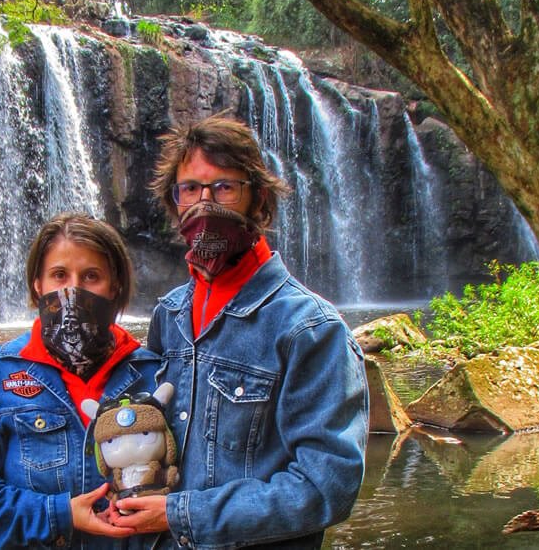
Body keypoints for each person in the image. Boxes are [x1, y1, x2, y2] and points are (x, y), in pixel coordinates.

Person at [113, 115, 370, 548]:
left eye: (224, 188)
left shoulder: (310, 329)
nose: (204, 204)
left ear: (259, 199)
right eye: (190, 189)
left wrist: (180, 514)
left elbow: (327, 487)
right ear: (174, 202)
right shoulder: (169, 315)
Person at [0, 213, 160, 549]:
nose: (73, 289)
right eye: (59, 275)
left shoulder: (156, 373)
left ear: (115, 286)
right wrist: (57, 514)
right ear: (38, 284)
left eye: (91, 276)